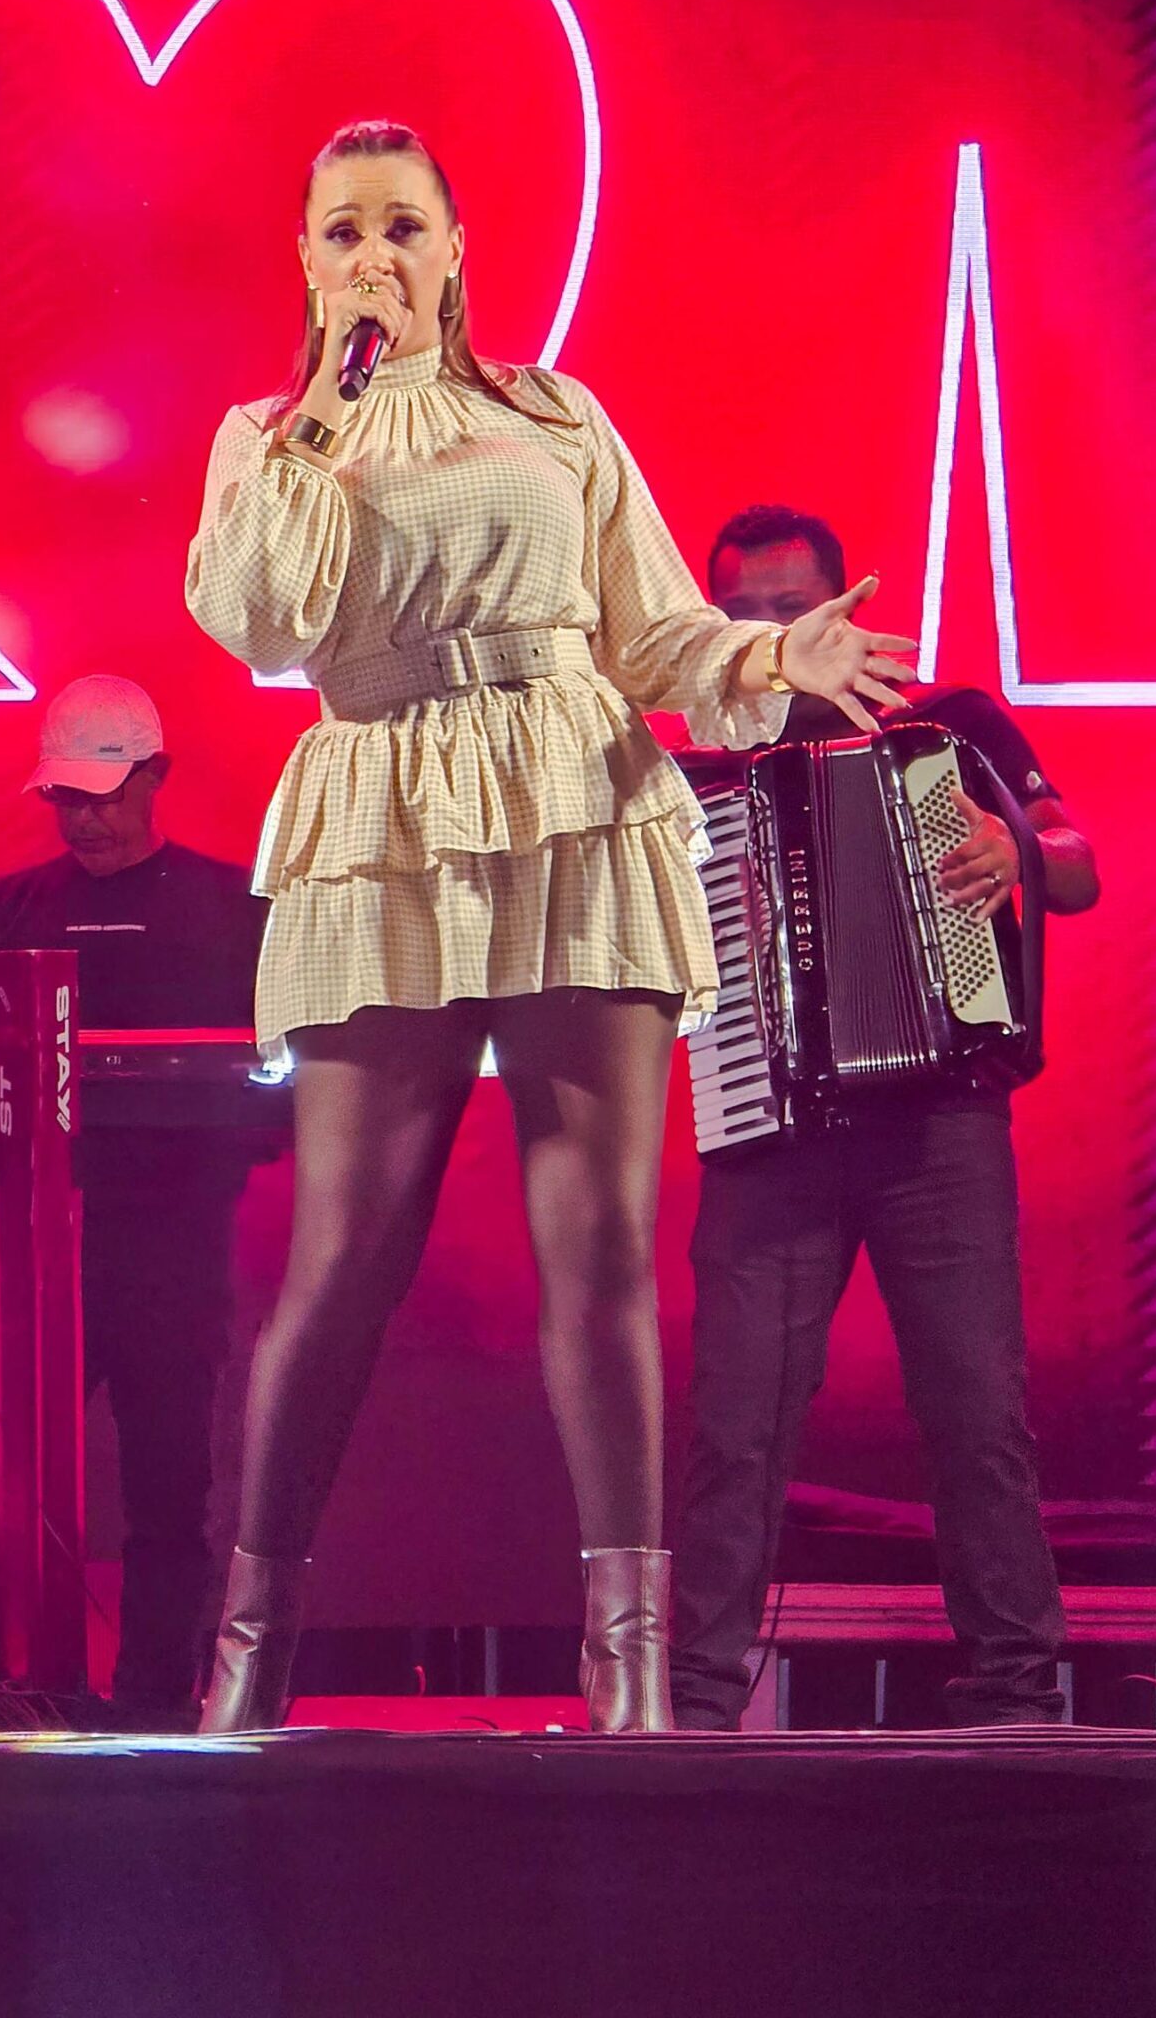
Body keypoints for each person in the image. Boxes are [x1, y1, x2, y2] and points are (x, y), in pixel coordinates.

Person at [184, 121, 914, 1733]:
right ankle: (247, 1651)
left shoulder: (555, 415)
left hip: (577, 800)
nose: (371, 252)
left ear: (454, 247)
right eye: (339, 230)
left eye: (400, 224)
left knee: (597, 1256)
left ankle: (628, 1670)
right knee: (342, 1258)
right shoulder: (269, 436)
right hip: (384, 819)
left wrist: (765, 662)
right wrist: (324, 416)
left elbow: (650, 634)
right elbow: (255, 618)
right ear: (304, 260)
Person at [670, 505, 1101, 1730]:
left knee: (977, 1412)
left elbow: (1077, 861)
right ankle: (693, 1701)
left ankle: (1015, 1688)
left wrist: (1013, 845)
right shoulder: (701, 768)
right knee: (737, 1425)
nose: (772, 629)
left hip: (939, 1124)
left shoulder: (948, 725)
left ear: (844, 609)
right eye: (743, 612)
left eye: (792, 606)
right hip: (771, 1127)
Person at [0, 674, 273, 1730]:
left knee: (169, 1484)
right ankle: (4, 1687)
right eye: (64, 799)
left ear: (153, 777)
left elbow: (281, 1074)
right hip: (39, 1236)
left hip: (172, 1239)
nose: (82, 819)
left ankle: (152, 1704)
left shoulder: (232, 906)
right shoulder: (13, 905)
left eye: (100, 796)